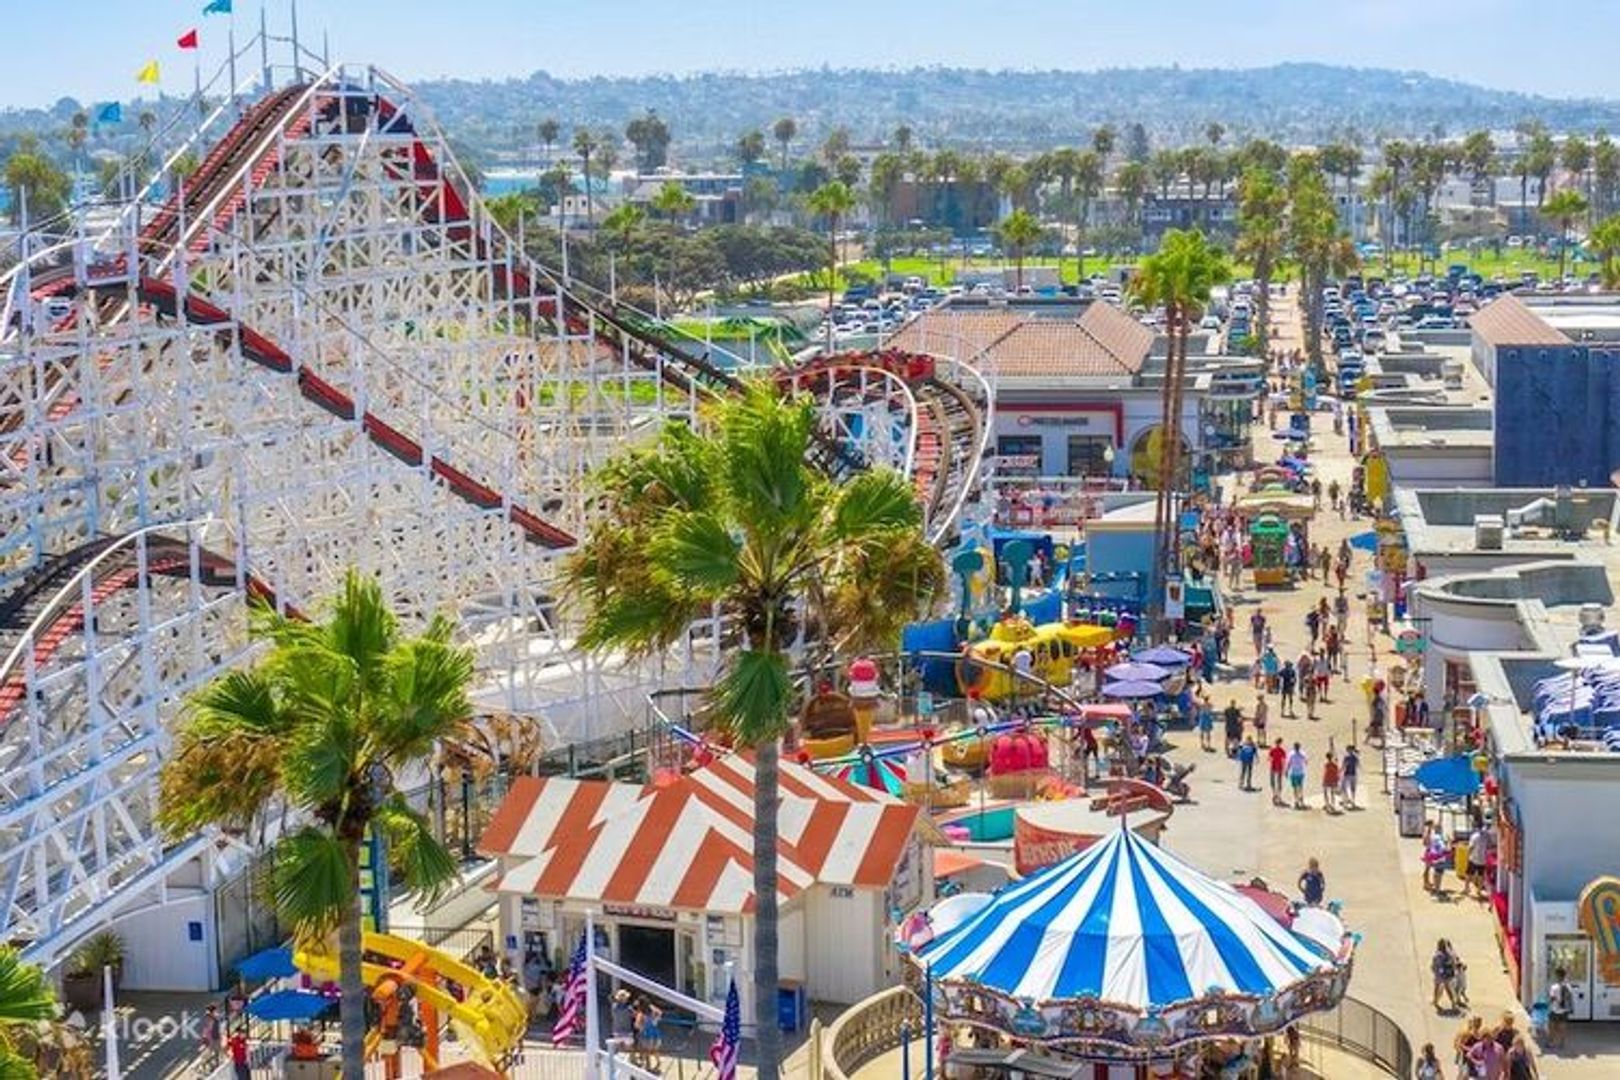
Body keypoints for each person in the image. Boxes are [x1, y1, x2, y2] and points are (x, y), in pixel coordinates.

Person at [1547, 966, 1573, 1049]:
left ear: (1557, 975)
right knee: (1563, 1026)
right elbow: (1569, 997)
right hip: (1564, 1010)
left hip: (1555, 1009)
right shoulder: (1568, 986)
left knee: (1552, 1026)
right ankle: (1562, 1043)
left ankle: (1551, 1042)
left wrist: (1548, 1004)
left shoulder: (1554, 987)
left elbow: (1552, 998)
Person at [1431, 940, 1460, 1012]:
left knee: (1437, 988)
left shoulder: (1437, 955)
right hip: (1448, 975)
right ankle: (1453, 1003)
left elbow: (1434, 966)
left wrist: (1435, 971)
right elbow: (1454, 964)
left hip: (1439, 976)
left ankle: (1436, 1001)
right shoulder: (1450, 954)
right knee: (1448, 989)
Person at [1467, 822, 1490, 901]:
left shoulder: (1474, 836)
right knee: (1481, 875)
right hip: (1482, 859)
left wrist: (1468, 855)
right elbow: (1489, 846)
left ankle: (1467, 888)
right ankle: (1479, 890)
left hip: (1473, 858)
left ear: (1476, 827)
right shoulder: (1486, 836)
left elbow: (1471, 847)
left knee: (1469, 873)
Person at [1286, 742, 1308, 808]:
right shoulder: (1302, 754)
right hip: (1300, 772)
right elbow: (1306, 762)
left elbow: (1289, 763)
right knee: (1300, 787)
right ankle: (1301, 800)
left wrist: (1287, 771)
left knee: (1295, 788)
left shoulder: (1291, 754)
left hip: (1294, 773)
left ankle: (1296, 801)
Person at [1267, 738, 1287, 806]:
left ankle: (1275, 795)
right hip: (1278, 767)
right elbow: (1283, 760)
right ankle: (1278, 796)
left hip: (1274, 767)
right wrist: (1284, 769)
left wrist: (1272, 760)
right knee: (1278, 782)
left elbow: (1269, 758)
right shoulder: (1281, 750)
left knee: (1273, 782)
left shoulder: (1273, 750)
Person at [1340, 744, 1360, 809]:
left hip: (1347, 774)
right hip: (1353, 774)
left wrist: (1340, 771)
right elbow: (1357, 765)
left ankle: (1346, 801)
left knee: (1343, 787)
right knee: (1353, 789)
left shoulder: (1347, 757)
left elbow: (1344, 765)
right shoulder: (1355, 757)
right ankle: (1353, 801)